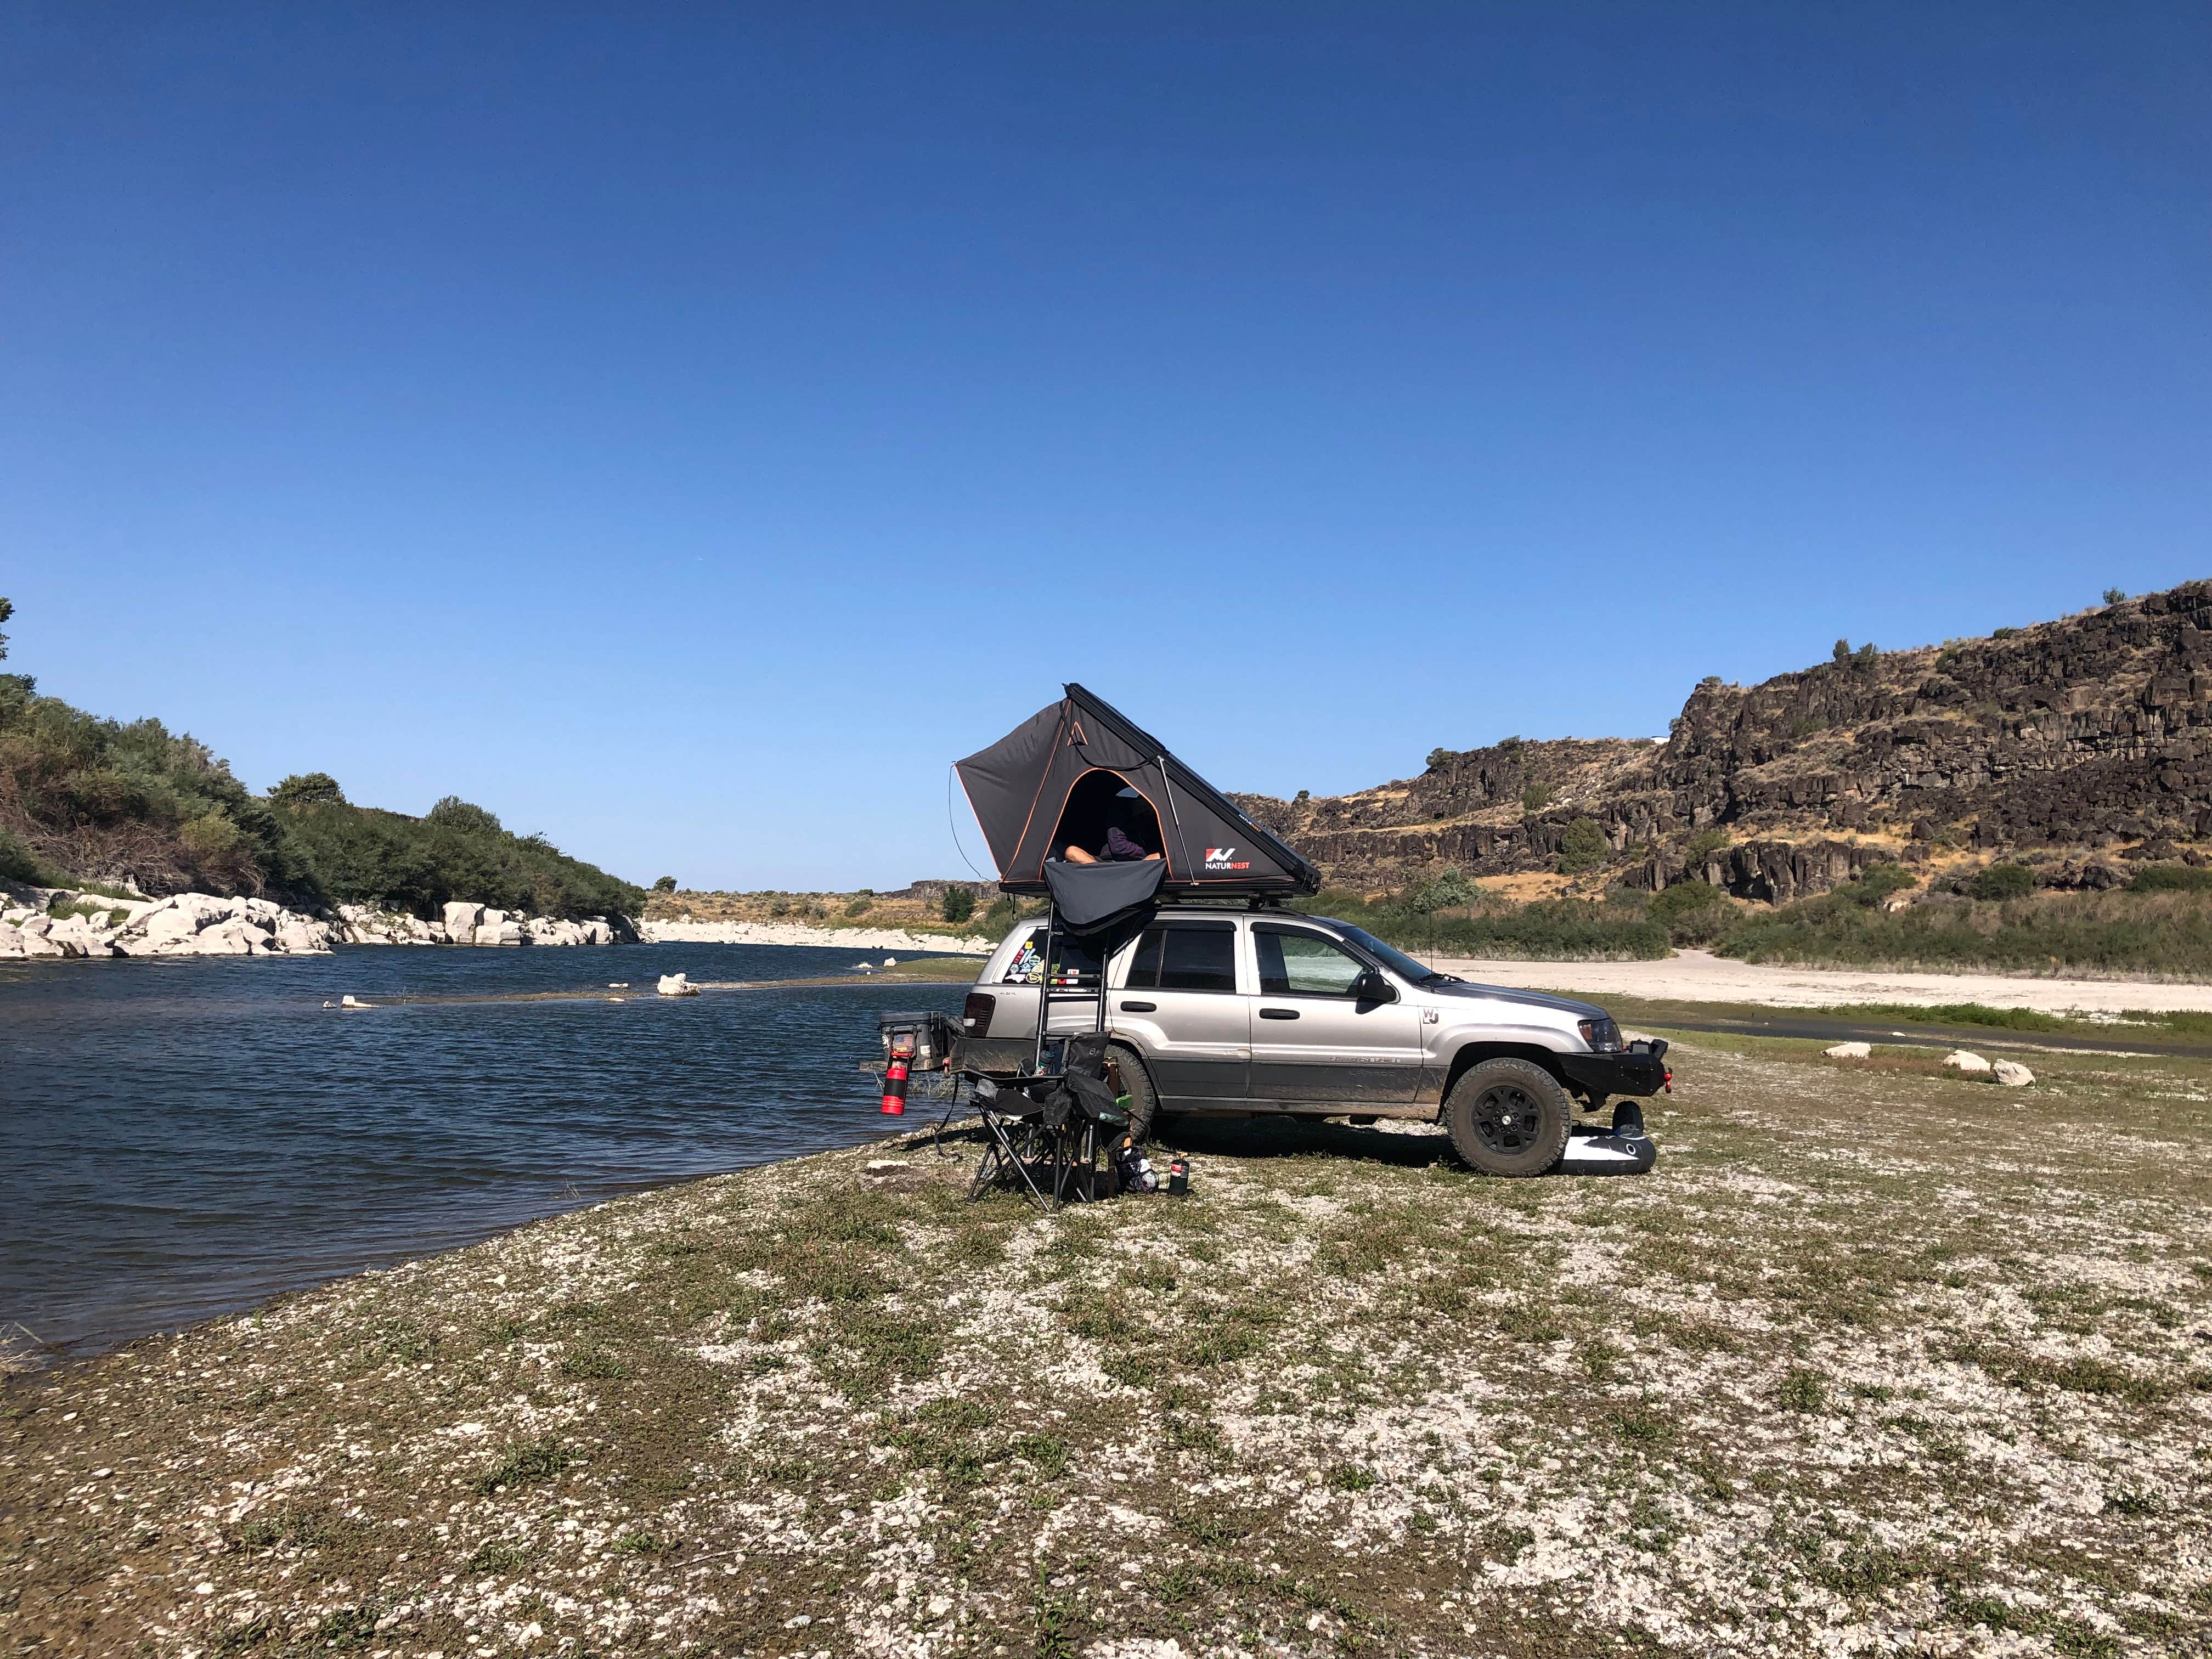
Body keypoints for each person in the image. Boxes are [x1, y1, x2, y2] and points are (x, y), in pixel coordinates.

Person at [1063, 825, 1161, 864]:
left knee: (1158, 857)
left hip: (1137, 867)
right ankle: (1105, 878)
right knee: (1072, 852)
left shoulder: (1160, 819)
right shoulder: (1121, 812)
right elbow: (1119, 847)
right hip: (1106, 865)